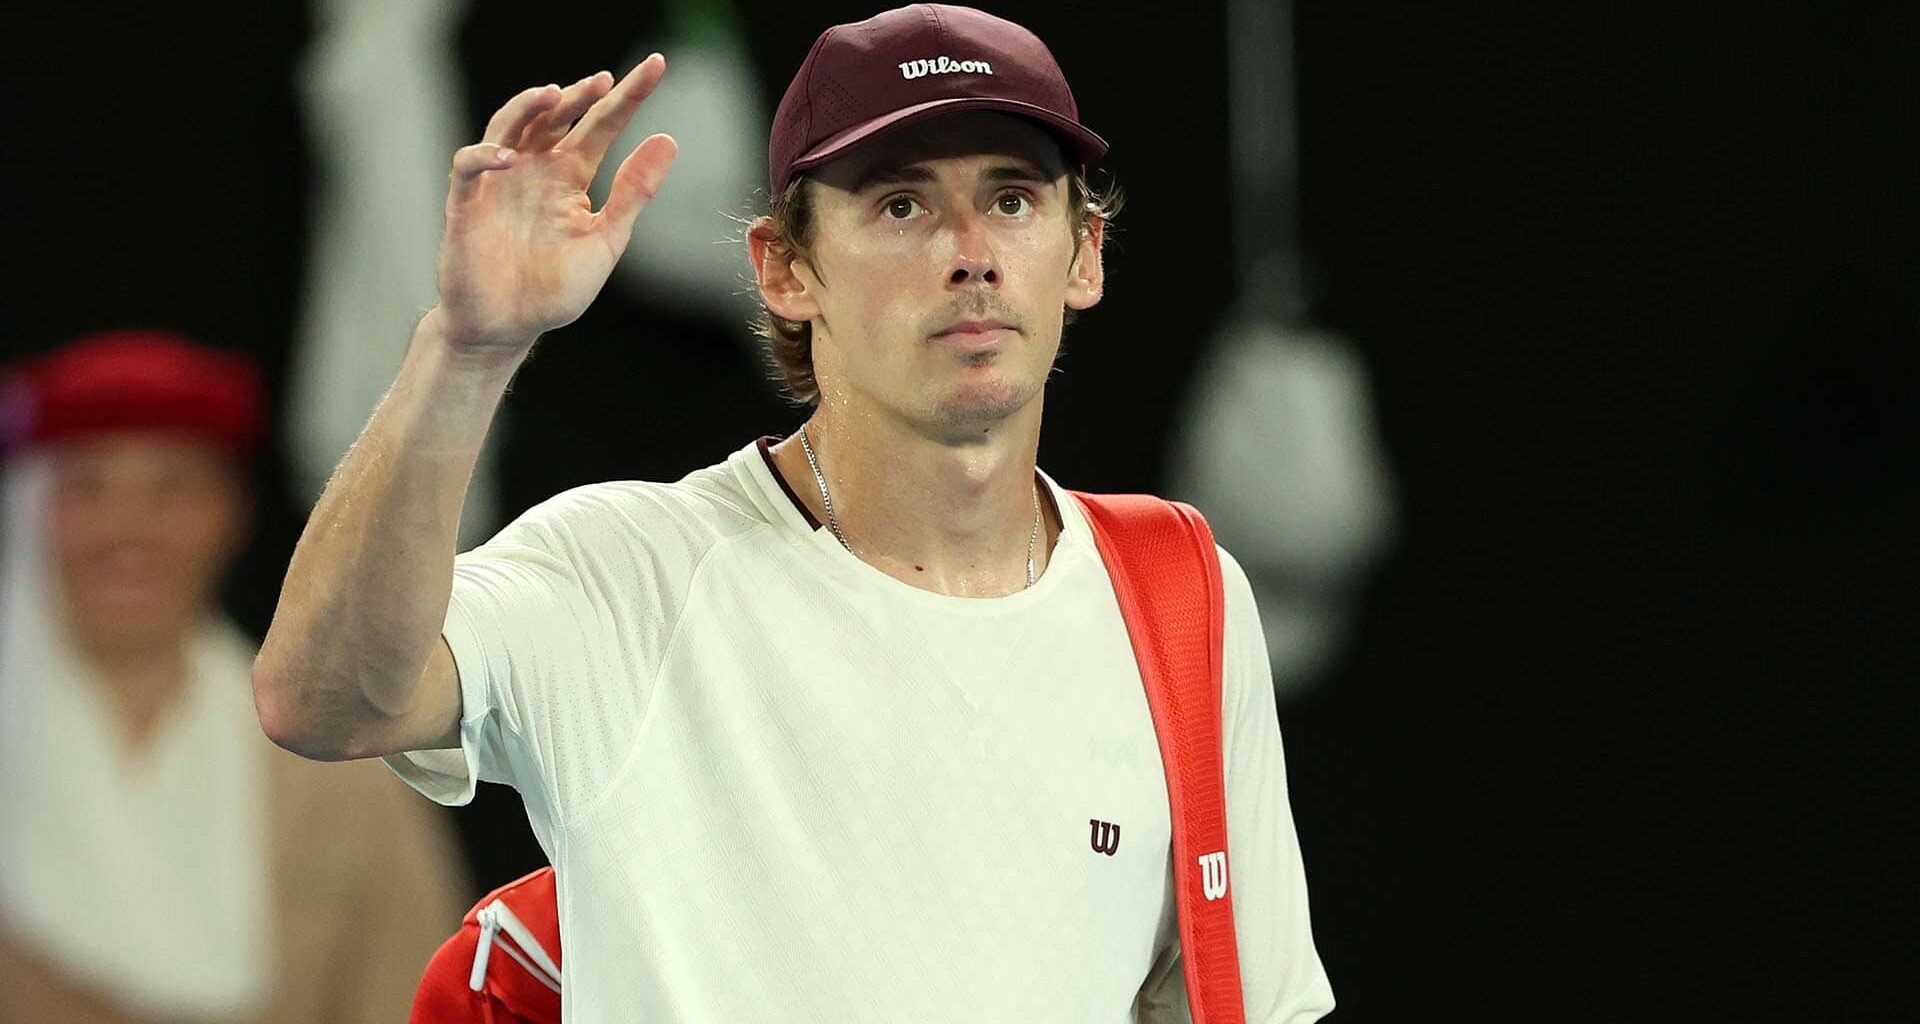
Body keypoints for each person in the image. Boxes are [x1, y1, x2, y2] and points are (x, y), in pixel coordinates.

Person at [253, 5, 1335, 1020]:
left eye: (1012, 199)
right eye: (902, 205)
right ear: (784, 269)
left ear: (1083, 253)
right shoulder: (628, 572)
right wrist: (467, 348)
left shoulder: (1182, 597)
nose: (970, 252)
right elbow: (321, 701)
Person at [0, 331, 467, 1024]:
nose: (129, 528)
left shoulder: (331, 763)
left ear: (229, 514)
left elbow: (411, 992)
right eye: (88, 488)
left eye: (172, 488)